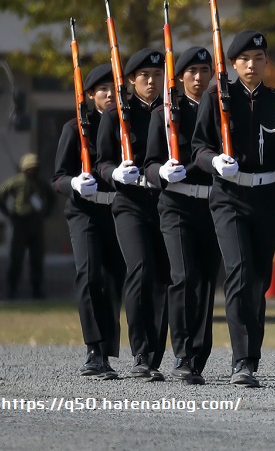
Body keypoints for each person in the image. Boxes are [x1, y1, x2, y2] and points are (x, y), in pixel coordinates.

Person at [192, 29, 275, 388]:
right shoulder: (216, 100)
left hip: (264, 197)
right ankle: (241, 360)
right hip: (228, 196)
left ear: (267, 62)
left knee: (256, 279)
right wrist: (215, 162)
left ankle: (250, 357)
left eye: (259, 59)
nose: (252, 65)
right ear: (233, 64)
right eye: (245, 59)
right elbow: (198, 148)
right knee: (240, 273)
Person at [145, 46, 218, 385]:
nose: (200, 78)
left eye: (205, 70)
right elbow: (148, 165)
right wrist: (163, 171)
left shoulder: (220, 109)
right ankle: (183, 353)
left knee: (205, 282)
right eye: (193, 71)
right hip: (176, 204)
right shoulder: (165, 112)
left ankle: (198, 355)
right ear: (181, 76)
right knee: (184, 276)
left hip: (213, 205)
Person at [96, 48, 169, 381]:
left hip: (167, 202)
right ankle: (140, 350)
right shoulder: (115, 116)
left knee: (164, 278)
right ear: (130, 81)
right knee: (139, 269)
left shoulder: (172, 111)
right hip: (130, 203)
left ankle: (156, 353)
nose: (151, 82)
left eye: (156, 75)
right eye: (144, 77)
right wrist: (115, 174)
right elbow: (102, 162)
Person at [52, 64, 125, 378]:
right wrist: (74, 184)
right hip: (85, 211)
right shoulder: (75, 128)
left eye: (113, 88)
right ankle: (94, 350)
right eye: (102, 89)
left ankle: (108, 351)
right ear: (91, 95)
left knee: (113, 281)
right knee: (89, 274)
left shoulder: (127, 125)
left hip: (118, 211)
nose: (109, 94)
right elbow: (57, 177)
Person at [0, 153, 54, 298]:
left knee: (37, 259)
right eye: (30, 168)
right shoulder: (16, 182)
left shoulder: (40, 183)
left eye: (34, 168)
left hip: (36, 224)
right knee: (16, 258)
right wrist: (8, 213)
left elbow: (52, 197)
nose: (32, 171)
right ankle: (12, 288)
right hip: (20, 223)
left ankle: (37, 289)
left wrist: (46, 212)